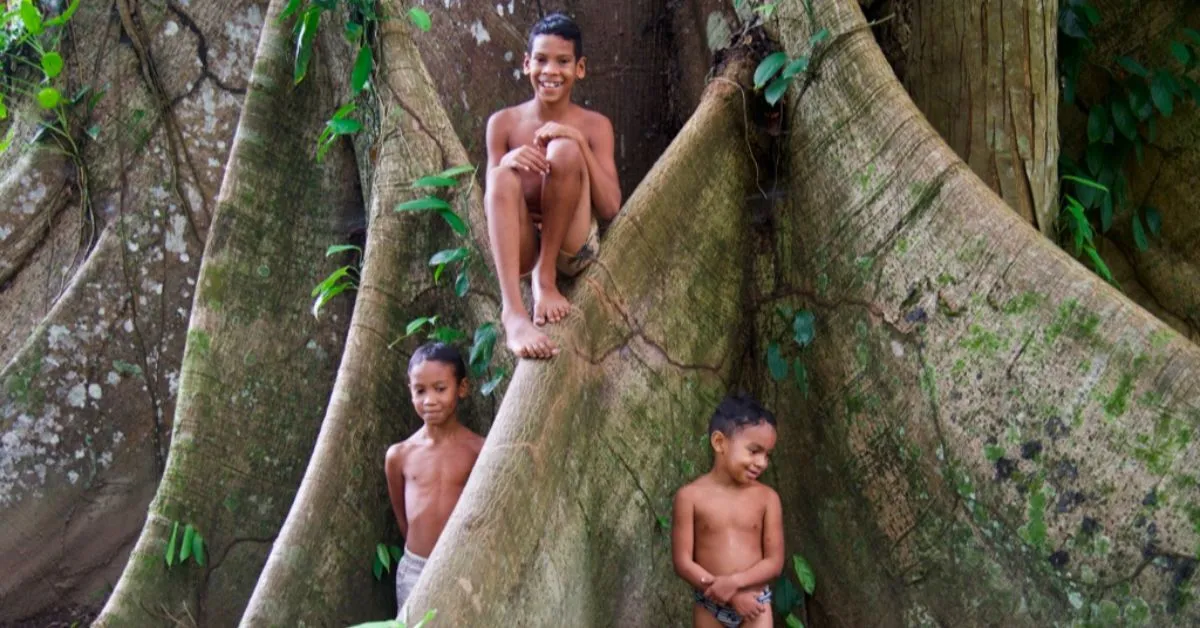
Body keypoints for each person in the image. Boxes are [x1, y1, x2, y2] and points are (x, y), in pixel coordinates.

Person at [484, 12, 622, 360]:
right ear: (527, 64)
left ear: (579, 68)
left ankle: (545, 280)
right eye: (541, 60)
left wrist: (576, 141)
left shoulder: (595, 125)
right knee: (499, 175)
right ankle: (513, 313)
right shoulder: (503, 124)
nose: (550, 71)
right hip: (523, 248)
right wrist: (506, 163)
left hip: (572, 245)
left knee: (563, 149)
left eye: (562, 61)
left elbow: (609, 208)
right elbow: (493, 200)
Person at [385, 343, 485, 618]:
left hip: (463, 567)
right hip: (416, 569)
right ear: (410, 392)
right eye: (420, 391)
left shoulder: (479, 451)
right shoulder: (399, 455)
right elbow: (403, 518)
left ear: (461, 388)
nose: (429, 400)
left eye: (440, 389)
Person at [672, 394, 784, 628]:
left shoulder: (767, 498)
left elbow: (774, 562)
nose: (762, 463)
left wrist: (735, 583)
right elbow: (682, 562)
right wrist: (731, 595)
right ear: (719, 442)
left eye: (767, 455)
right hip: (710, 604)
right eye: (754, 451)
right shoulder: (690, 497)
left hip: (755, 605)